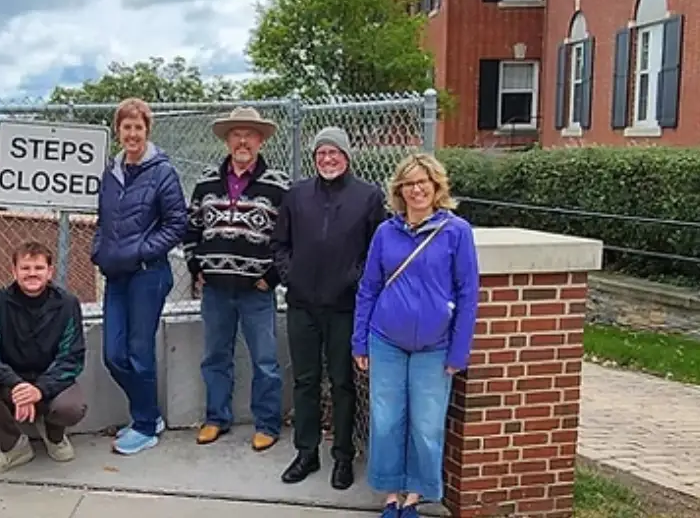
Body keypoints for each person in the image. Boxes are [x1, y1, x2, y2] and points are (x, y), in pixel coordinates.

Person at [352, 153, 479, 518]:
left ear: (437, 186)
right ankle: (392, 496)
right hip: (386, 340)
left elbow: (469, 293)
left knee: (425, 425)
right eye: (409, 183)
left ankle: (415, 498)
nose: (416, 189)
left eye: (424, 181)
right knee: (387, 420)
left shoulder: (456, 231)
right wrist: (359, 340)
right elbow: (369, 287)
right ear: (399, 190)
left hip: (435, 347)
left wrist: (459, 352)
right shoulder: (385, 232)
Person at [274, 126, 388, 490]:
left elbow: (376, 250)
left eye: (334, 153)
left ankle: (343, 456)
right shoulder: (296, 195)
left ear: (347, 156)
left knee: (342, 383)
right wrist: (290, 276)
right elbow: (280, 244)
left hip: (346, 307)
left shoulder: (368, 197)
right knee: (306, 381)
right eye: (321, 153)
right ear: (314, 158)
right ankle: (306, 453)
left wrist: (353, 280)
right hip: (302, 305)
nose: (328, 159)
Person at [183, 107, 288, 452]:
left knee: (266, 361)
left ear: (260, 140)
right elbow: (191, 230)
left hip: (256, 292)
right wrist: (195, 266)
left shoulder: (279, 186)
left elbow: (291, 239)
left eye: (250, 134)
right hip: (215, 290)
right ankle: (216, 418)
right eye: (236, 134)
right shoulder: (205, 184)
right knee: (215, 357)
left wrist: (272, 277)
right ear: (227, 140)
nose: (243, 141)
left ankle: (268, 424)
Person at [91, 97, 188, 456]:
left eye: (138, 127)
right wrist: (99, 251)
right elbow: (103, 220)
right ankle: (150, 413)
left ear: (147, 130)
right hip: (116, 275)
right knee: (113, 354)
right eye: (126, 127)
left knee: (138, 350)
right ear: (118, 131)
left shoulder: (162, 172)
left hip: (149, 275)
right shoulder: (111, 173)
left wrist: (142, 250)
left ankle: (145, 425)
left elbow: (178, 223)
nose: (132, 134)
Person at [0, 241, 88, 478]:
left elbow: (71, 357)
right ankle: (13, 446)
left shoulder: (67, 304)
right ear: (14, 271)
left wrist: (39, 390)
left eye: (39, 268)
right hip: (8, 379)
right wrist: (16, 384)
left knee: (71, 407)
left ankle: (54, 436)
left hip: (48, 380)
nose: (32, 273)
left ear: (50, 272)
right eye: (25, 268)